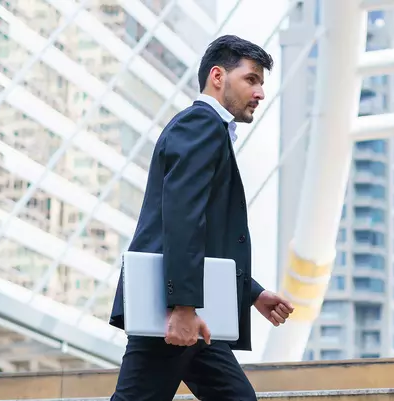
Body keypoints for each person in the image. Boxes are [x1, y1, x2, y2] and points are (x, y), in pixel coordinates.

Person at [107, 35, 294, 401]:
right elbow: (183, 218)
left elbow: (205, 235)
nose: (259, 92)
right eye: (251, 79)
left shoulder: (209, 129)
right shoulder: (201, 124)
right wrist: (182, 307)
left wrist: (252, 293)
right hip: (175, 309)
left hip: (190, 309)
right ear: (218, 76)